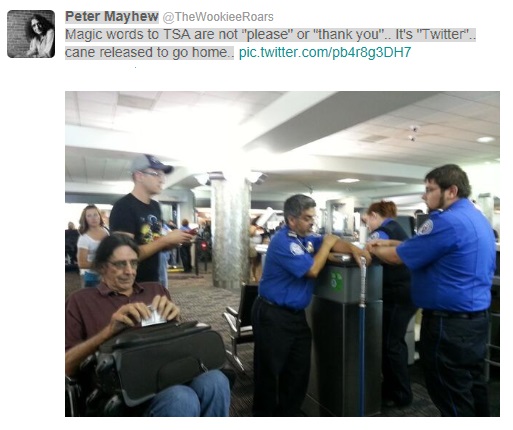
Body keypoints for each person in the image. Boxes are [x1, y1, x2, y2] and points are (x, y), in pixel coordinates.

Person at [366, 164, 496, 417]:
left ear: (451, 191)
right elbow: (426, 246)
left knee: (450, 394)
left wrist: (372, 248)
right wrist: (391, 241)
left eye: (429, 189)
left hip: (449, 327)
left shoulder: (445, 222)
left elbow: (395, 258)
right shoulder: (476, 217)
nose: (424, 196)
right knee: (472, 387)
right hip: (476, 321)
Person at [65, 234, 230, 416]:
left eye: (133, 263)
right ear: (102, 266)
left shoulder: (155, 290)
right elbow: (66, 366)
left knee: (216, 380)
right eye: (120, 264)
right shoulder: (81, 301)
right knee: (181, 397)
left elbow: (175, 342)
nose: (130, 271)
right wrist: (108, 332)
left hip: (166, 375)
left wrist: (176, 320)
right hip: (120, 395)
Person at [251, 194, 371, 416]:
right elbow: (312, 270)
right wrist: (326, 246)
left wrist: (354, 249)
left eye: (313, 218)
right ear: (291, 219)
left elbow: (333, 239)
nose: (312, 222)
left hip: (295, 316)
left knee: (298, 369)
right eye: (307, 218)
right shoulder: (283, 242)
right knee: (270, 373)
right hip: (273, 314)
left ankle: (290, 412)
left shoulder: (304, 238)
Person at [362, 200, 418, 408]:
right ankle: (394, 389)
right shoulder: (397, 228)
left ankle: (401, 394)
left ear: (375, 215)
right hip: (406, 293)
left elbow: (368, 255)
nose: (367, 225)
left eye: (367, 220)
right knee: (394, 343)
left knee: (390, 345)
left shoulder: (381, 232)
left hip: (397, 295)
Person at [109, 154, 193, 283]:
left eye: (163, 175)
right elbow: (124, 256)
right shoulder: (123, 207)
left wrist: (173, 242)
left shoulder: (155, 206)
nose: (162, 180)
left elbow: (152, 244)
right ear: (139, 176)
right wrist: (165, 241)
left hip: (153, 280)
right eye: (156, 174)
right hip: (130, 284)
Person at [77, 205, 110, 287]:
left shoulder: (106, 232)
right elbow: (82, 263)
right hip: (92, 277)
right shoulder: (84, 238)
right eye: (89, 216)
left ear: (99, 216)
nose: (93, 218)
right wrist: (102, 265)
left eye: (95, 214)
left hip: (108, 274)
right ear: (85, 219)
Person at [249, 217, 264, 282]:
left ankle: (255, 276)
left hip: (259, 247)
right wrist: (256, 228)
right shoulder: (253, 227)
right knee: (252, 263)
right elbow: (251, 234)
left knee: (257, 263)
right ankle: (252, 276)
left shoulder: (261, 228)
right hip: (252, 247)